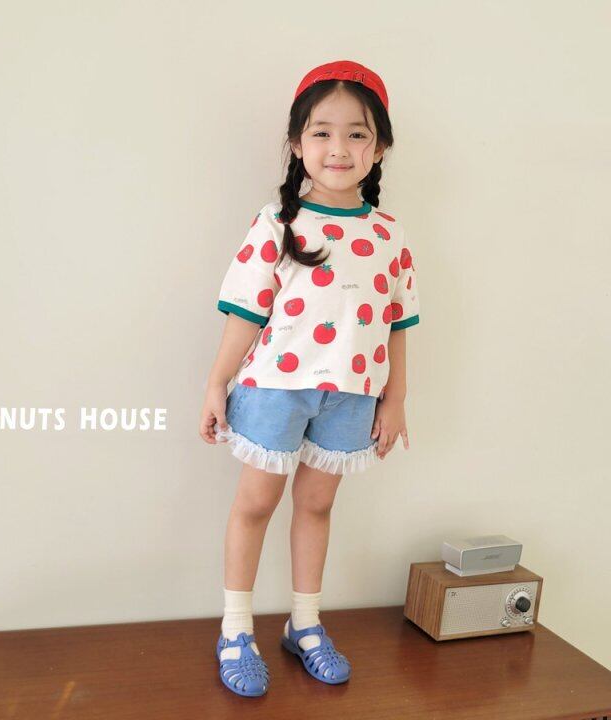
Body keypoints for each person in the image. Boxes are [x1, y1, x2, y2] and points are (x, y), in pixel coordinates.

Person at [199, 59, 420, 697]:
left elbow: (397, 324)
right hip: (275, 389)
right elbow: (245, 313)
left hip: (351, 396)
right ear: (298, 144)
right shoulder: (277, 221)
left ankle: (305, 623)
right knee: (255, 505)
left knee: (318, 505)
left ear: (379, 147)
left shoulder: (389, 234)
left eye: (357, 133)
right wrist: (216, 383)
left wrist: (396, 399)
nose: (339, 148)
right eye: (322, 132)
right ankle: (235, 629)